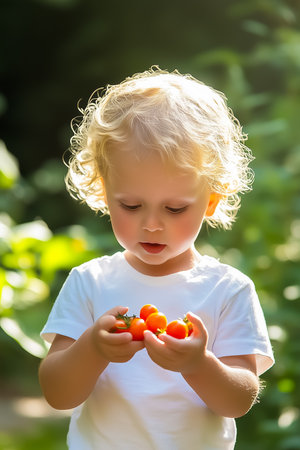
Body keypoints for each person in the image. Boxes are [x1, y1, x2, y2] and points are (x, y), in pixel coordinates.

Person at [39, 67, 274, 449]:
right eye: (131, 205)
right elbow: (57, 394)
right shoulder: (91, 281)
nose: (151, 225)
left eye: (176, 208)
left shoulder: (227, 289)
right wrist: (92, 349)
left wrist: (197, 364)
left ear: (211, 200)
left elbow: (238, 399)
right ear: (103, 187)